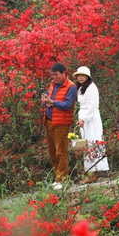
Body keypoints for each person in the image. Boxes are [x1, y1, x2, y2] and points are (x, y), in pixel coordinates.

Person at [40, 62, 77, 190]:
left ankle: (62, 179)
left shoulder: (71, 87)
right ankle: (57, 177)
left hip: (61, 123)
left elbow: (68, 105)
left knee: (61, 151)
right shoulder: (52, 86)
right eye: (52, 75)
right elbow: (50, 102)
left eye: (56, 75)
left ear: (64, 73)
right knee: (52, 152)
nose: (54, 77)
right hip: (50, 121)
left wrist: (53, 102)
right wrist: (45, 101)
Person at [74, 66, 109, 184]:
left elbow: (93, 106)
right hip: (83, 117)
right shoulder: (81, 88)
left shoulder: (91, 88)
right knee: (86, 143)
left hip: (91, 118)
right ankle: (90, 171)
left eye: (82, 75)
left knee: (93, 141)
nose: (80, 77)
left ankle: (95, 172)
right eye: (78, 75)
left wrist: (84, 118)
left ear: (87, 77)